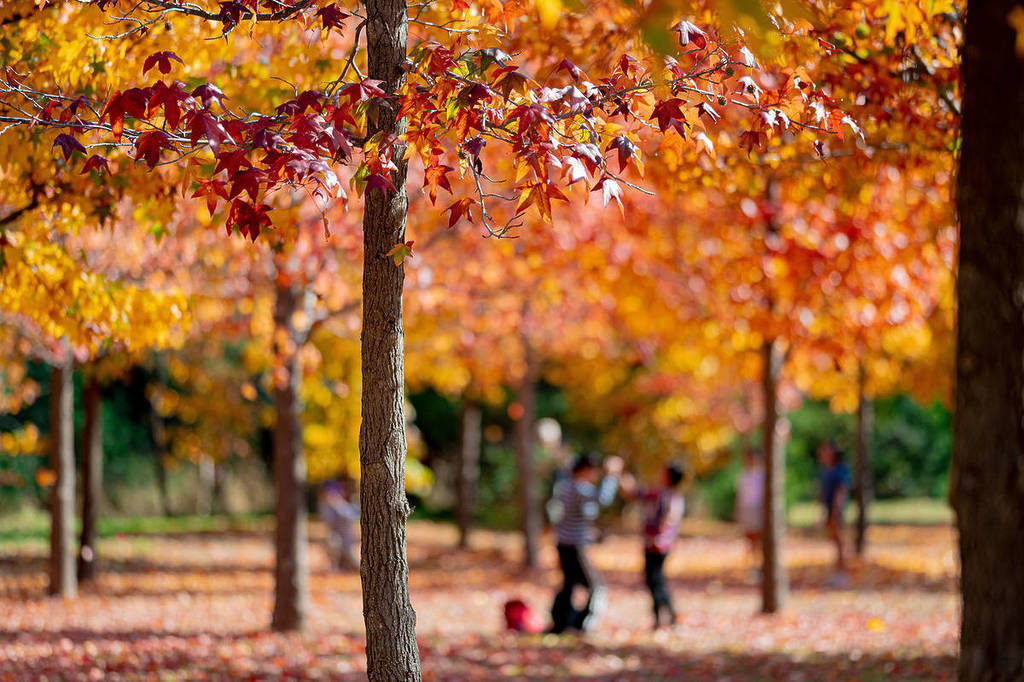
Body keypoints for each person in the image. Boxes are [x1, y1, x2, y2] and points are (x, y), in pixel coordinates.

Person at [547, 452, 622, 634]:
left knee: (569, 584)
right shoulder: (579, 487)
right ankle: (584, 624)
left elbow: (574, 518)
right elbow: (603, 499)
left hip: (565, 543)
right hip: (573, 546)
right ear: (586, 470)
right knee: (596, 586)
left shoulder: (566, 486)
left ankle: (562, 623)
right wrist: (612, 475)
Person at [630, 461, 686, 630]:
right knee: (654, 580)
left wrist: (659, 537)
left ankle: (668, 614)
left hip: (658, 545)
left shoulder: (669, 497)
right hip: (654, 543)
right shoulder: (660, 494)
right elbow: (636, 494)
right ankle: (661, 616)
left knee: (655, 580)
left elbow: (668, 519)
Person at [817, 441, 851, 585]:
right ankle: (838, 571)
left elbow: (841, 492)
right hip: (830, 509)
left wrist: (836, 512)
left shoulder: (839, 470)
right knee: (835, 541)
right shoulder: (827, 470)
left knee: (839, 542)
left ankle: (842, 573)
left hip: (836, 510)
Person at [318, 481, 360, 571]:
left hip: (347, 539)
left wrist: (337, 504)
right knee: (332, 542)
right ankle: (336, 565)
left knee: (353, 563)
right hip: (336, 538)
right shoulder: (325, 506)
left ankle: (345, 565)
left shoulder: (340, 504)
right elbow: (329, 521)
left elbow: (352, 515)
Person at [734, 449, 765, 567]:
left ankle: (758, 563)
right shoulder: (743, 475)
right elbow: (739, 496)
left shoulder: (761, 476)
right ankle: (752, 563)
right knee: (749, 538)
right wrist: (737, 511)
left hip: (757, 509)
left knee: (758, 538)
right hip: (746, 509)